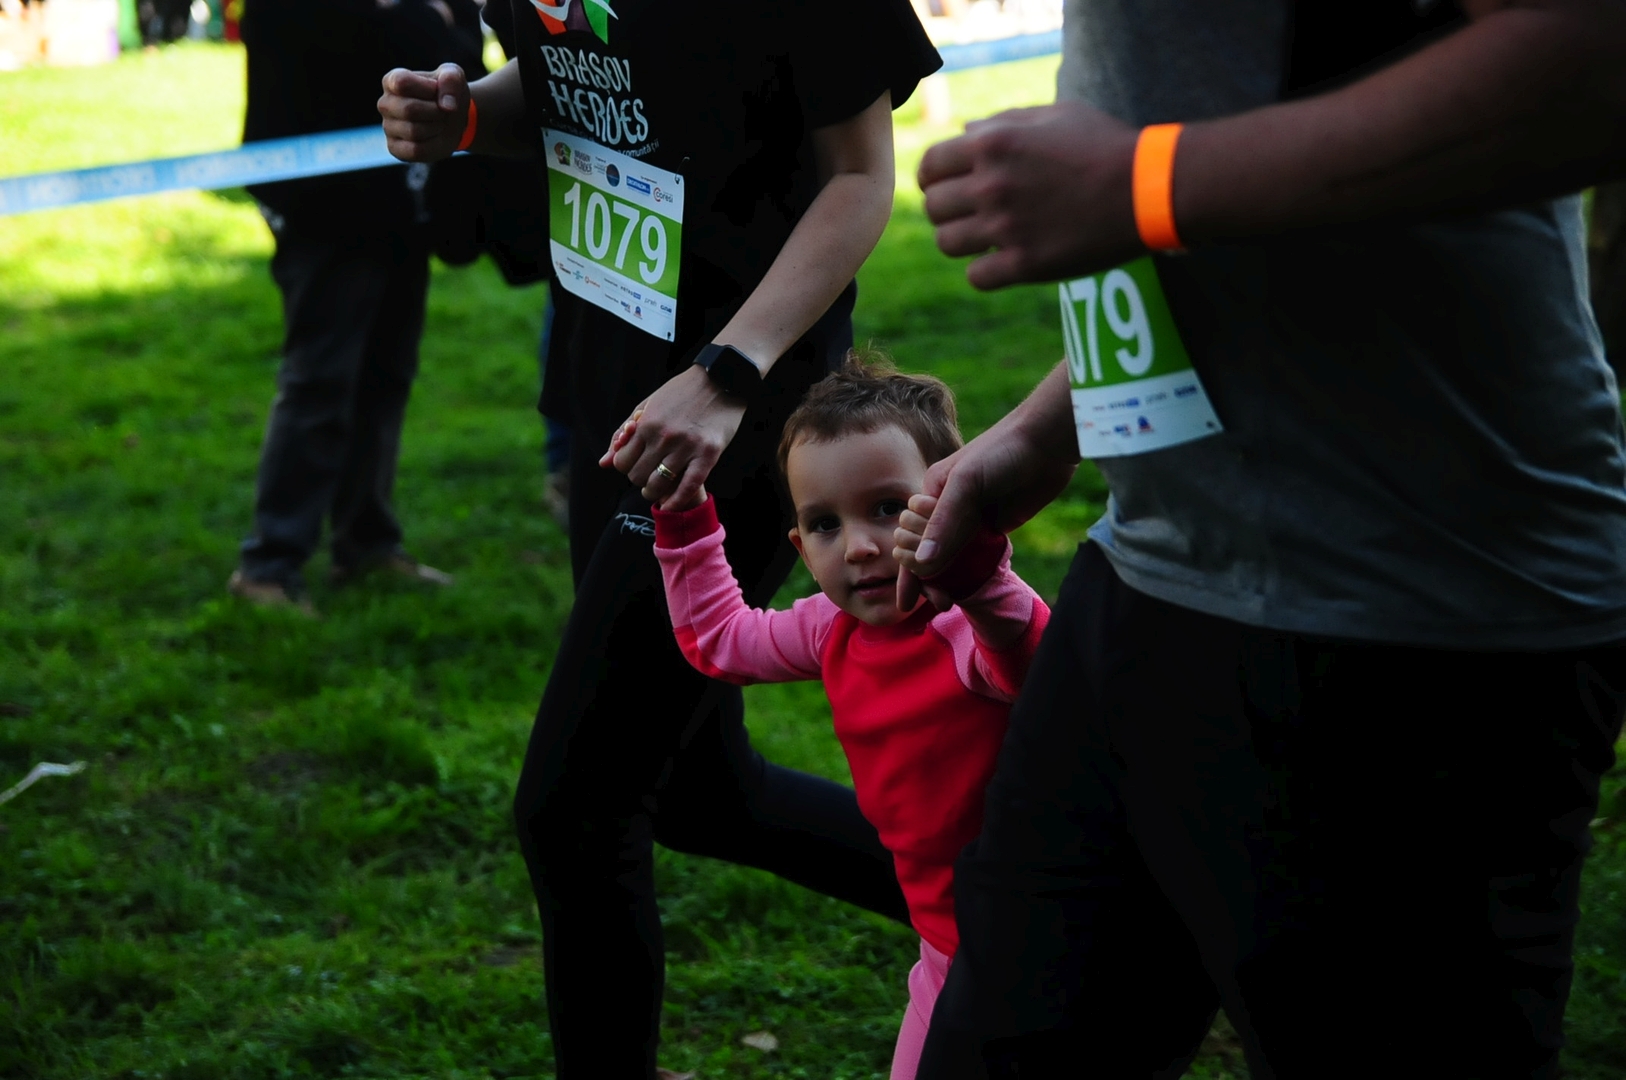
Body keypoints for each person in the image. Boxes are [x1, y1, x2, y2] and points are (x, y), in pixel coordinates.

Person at [889, 2, 1626, 1076]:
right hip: (1148, 570)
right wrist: (1048, 427)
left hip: (1411, 621)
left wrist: (1142, 185)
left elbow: (1595, 66)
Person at [377, 2, 941, 1074]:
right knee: (698, 791)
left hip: (740, 407)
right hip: (619, 387)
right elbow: (581, 82)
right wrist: (466, 113)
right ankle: (1024, 910)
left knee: (573, 813)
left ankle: (1035, 915)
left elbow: (861, 176)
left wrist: (727, 371)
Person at [638, 357, 1047, 1080]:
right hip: (945, 945)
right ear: (800, 546)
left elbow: (1034, 667)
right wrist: (684, 514)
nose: (858, 546)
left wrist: (980, 577)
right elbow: (720, 639)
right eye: (825, 524)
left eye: (888, 508)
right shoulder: (832, 627)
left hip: (1046, 944)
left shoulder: (967, 624)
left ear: (951, 502)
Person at [229, 0, 483, 612]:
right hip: (325, 210)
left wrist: (427, 22)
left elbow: (458, 65)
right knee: (320, 383)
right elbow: (386, 44)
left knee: (385, 378)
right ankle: (269, 564)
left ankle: (367, 543)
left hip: (402, 203)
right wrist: (425, 18)